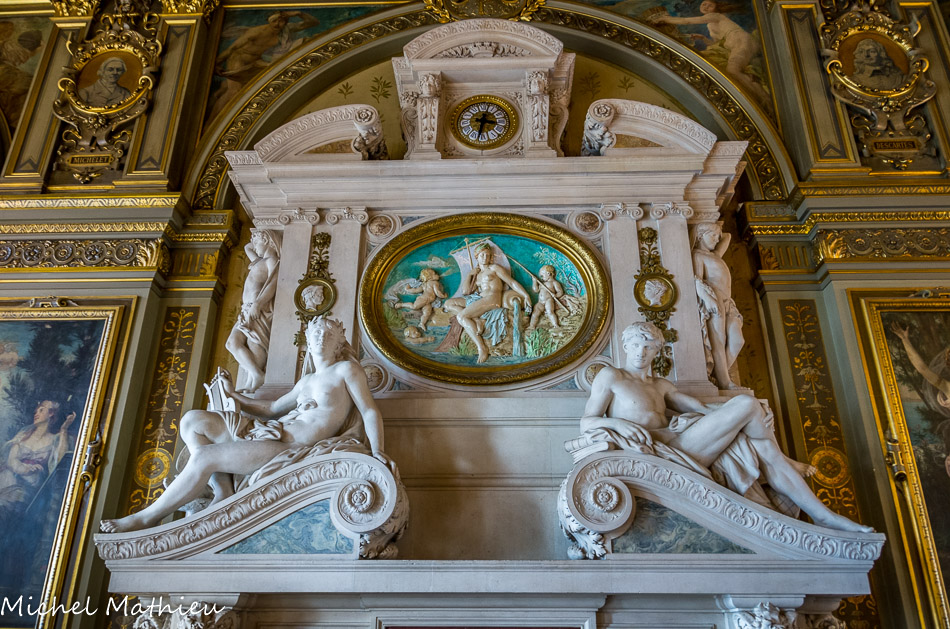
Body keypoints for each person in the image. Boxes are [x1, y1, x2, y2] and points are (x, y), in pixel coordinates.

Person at [101, 316, 389, 533]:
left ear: (339, 343)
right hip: (270, 430)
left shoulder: (346, 370)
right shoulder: (306, 382)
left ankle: (146, 518)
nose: (320, 338)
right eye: (315, 333)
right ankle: (223, 490)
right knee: (192, 421)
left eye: (328, 334)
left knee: (204, 457)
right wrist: (232, 394)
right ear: (308, 340)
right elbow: (272, 409)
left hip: (288, 446)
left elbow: (369, 411)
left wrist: (378, 453)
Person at [577, 321, 872, 532]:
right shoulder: (611, 377)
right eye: (635, 346)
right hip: (656, 452)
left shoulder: (662, 385)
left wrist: (759, 410)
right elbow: (587, 422)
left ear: (657, 352)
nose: (640, 352)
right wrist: (617, 424)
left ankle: (822, 515)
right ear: (625, 346)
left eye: (647, 347)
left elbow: (704, 409)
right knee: (747, 410)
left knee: (749, 412)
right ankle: (806, 494)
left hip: (679, 446)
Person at [649, 0, 769, 104]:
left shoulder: (716, 16)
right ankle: (757, 92)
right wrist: (702, 38)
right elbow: (716, 44)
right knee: (733, 71)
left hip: (741, 41)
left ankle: (765, 98)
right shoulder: (710, 25)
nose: (706, 7)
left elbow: (687, 21)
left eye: (710, 5)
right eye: (704, 4)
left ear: (716, 8)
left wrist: (664, 19)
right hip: (735, 45)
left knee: (732, 70)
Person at [208, 11, 319, 120]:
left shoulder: (285, 30)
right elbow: (232, 49)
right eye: (274, 21)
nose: (277, 24)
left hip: (256, 60)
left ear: (286, 22)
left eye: (281, 21)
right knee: (234, 92)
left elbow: (313, 22)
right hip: (239, 60)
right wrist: (217, 63)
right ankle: (214, 121)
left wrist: (299, 13)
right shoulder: (256, 32)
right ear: (269, 20)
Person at [443, 243, 532, 363]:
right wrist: (470, 275)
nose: (485, 257)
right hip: (478, 298)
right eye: (482, 255)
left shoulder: (494, 268)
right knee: (448, 304)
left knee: (461, 316)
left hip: (491, 299)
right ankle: (476, 320)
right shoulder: (477, 274)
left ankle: (482, 348)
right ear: (477, 257)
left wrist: (526, 295)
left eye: (488, 255)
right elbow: (465, 291)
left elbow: (511, 282)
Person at [226, 230, 280, 393]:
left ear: (267, 241)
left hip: (258, 310)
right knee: (231, 343)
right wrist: (258, 237)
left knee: (252, 344)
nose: (254, 247)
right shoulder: (258, 261)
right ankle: (256, 375)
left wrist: (258, 304)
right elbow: (247, 247)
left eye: (257, 243)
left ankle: (254, 381)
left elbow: (273, 283)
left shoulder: (272, 260)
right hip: (246, 310)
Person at [692, 222, 744, 390]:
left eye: (717, 236)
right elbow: (696, 280)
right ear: (700, 236)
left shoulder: (715, 255)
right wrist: (707, 298)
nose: (717, 239)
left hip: (728, 303)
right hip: (715, 300)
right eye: (713, 236)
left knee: (737, 340)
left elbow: (727, 236)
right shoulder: (697, 255)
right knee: (718, 342)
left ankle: (716, 374)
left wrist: (715, 226)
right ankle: (724, 381)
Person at [0, 400, 76, 509]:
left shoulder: (55, 438)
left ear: (51, 413)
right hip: (9, 479)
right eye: (36, 411)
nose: (36, 414)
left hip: (30, 485)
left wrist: (64, 429)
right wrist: (26, 468)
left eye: (41, 410)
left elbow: (60, 461)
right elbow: (12, 460)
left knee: (15, 503)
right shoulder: (23, 435)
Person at [527, 265, 564, 332]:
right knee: (535, 313)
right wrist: (534, 282)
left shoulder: (554, 283)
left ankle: (556, 325)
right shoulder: (542, 283)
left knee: (550, 312)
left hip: (548, 300)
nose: (541, 277)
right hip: (540, 302)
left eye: (542, 275)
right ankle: (532, 326)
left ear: (548, 274)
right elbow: (536, 290)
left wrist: (556, 295)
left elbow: (560, 292)